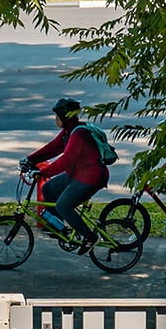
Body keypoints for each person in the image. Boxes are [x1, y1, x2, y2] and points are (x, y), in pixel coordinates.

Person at [20, 97, 110, 246]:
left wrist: (44, 172)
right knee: (49, 188)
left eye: (57, 117)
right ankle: (59, 228)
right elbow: (53, 148)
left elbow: (66, 161)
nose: (55, 120)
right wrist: (30, 160)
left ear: (64, 117)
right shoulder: (69, 131)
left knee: (63, 205)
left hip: (91, 178)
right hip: (78, 174)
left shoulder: (79, 134)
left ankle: (89, 238)